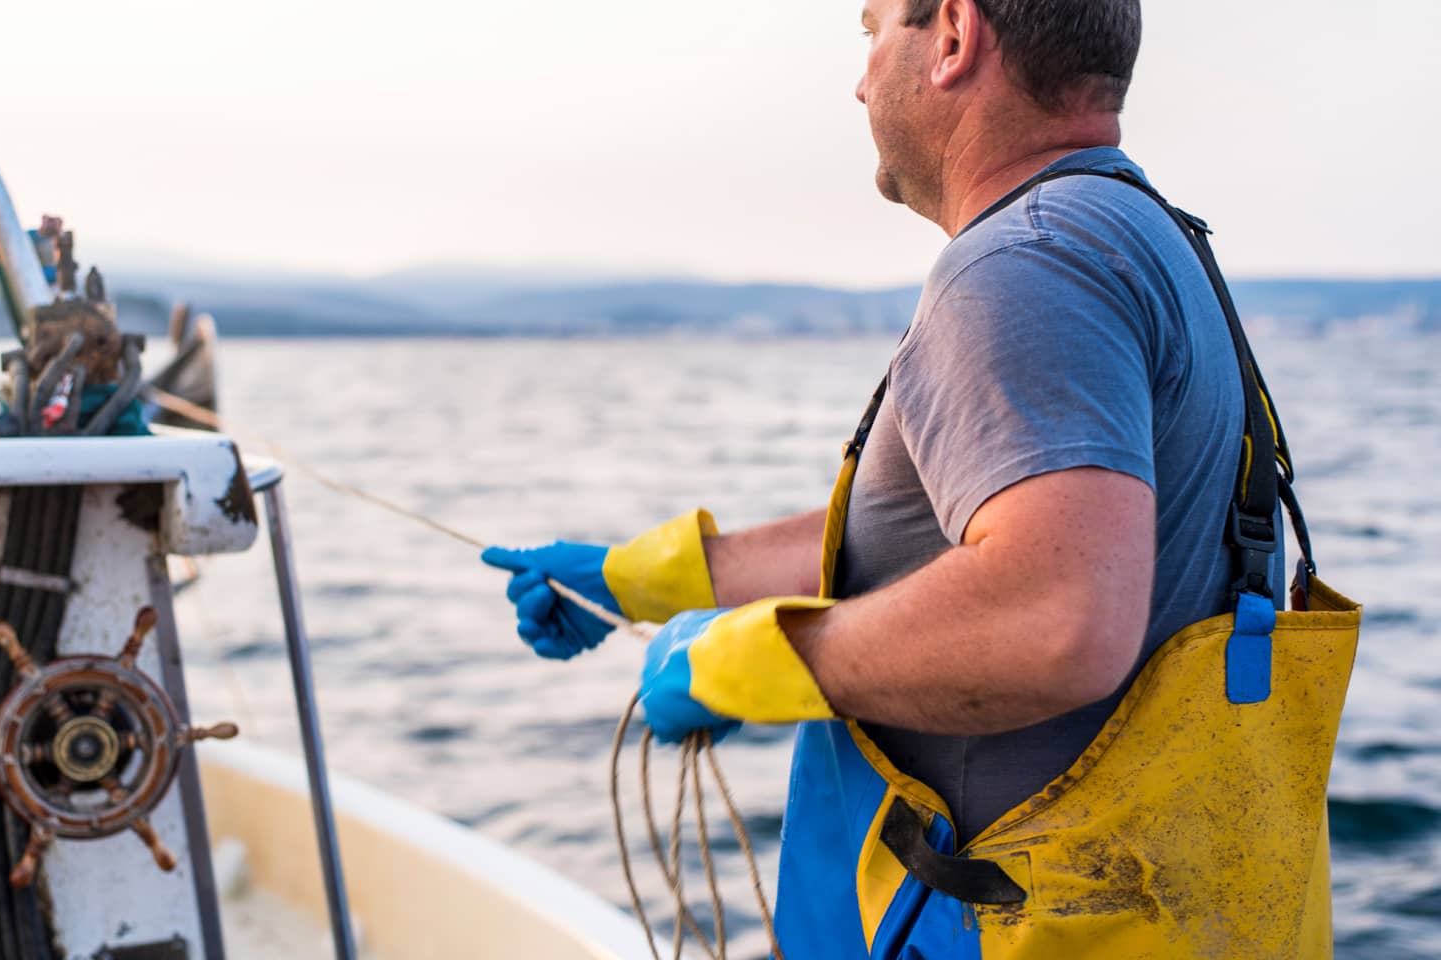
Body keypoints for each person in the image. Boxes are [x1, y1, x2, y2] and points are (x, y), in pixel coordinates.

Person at [484, 1, 1361, 956]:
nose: (860, 80)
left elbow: (1056, 615)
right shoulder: (1139, 234)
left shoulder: (1025, 264)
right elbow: (938, 531)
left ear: (951, 35)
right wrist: (638, 580)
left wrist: (737, 663)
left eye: (869, 34)